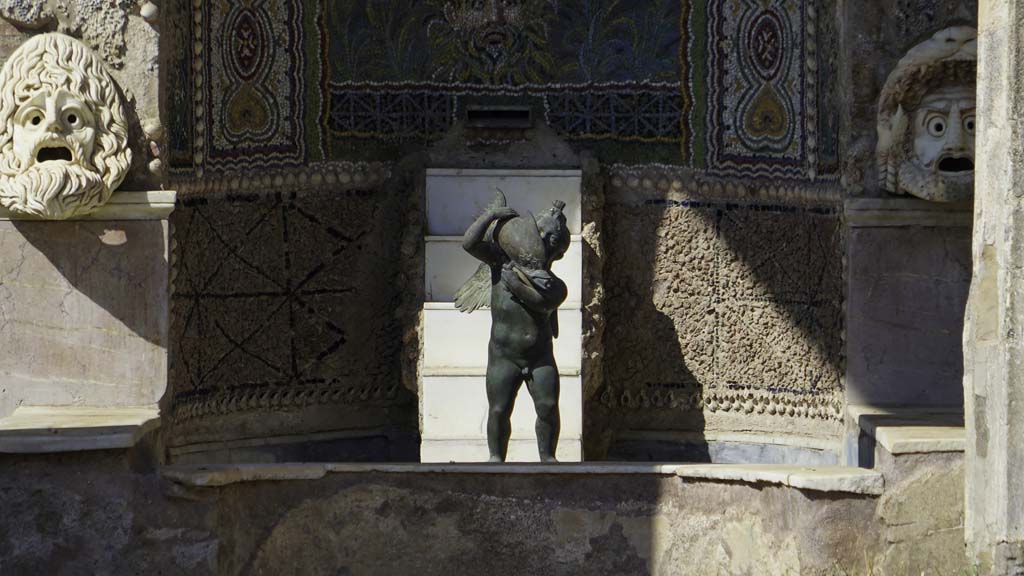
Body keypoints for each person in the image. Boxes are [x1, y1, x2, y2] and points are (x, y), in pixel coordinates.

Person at [458, 195, 570, 462]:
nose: (542, 241)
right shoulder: (500, 261)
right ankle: (496, 457)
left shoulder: (554, 286)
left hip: (540, 356)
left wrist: (514, 283)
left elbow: (542, 303)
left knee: (548, 407)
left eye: (551, 240)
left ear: (559, 252)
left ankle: (548, 457)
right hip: (503, 355)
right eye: (539, 233)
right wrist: (491, 215)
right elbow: (469, 243)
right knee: (498, 409)